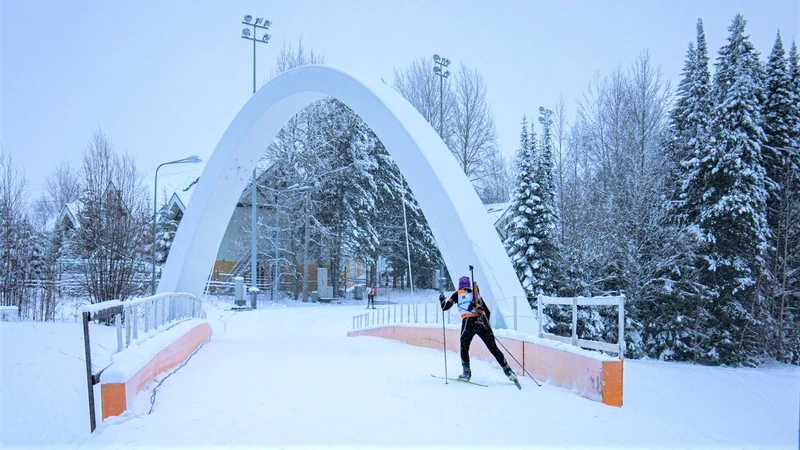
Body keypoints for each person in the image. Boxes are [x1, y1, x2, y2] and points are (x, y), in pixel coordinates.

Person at [439, 276, 517, 383]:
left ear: (460, 285)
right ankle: (508, 371)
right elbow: (487, 311)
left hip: (468, 322)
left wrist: (442, 299)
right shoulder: (476, 295)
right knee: (493, 348)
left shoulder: (458, 294)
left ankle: (466, 372)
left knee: (464, 347)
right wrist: (486, 327)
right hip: (482, 321)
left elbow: (445, 307)